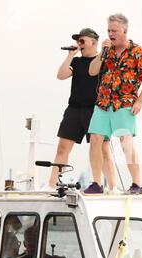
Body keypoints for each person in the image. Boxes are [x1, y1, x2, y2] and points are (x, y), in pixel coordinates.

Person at [86, 13, 142, 194]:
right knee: (95, 140)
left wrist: (139, 101)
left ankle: (137, 184)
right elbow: (92, 72)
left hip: (124, 103)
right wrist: (101, 53)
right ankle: (97, 183)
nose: (110, 34)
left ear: (124, 30)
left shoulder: (138, 52)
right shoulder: (106, 51)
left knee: (126, 143)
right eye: (109, 30)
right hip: (102, 103)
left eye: (114, 30)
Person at [49, 28, 117, 193]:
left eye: (82, 41)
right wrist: (70, 55)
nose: (79, 44)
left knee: (103, 149)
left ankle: (112, 187)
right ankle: (51, 184)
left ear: (93, 42)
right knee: (62, 147)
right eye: (77, 41)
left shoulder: (103, 59)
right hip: (74, 109)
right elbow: (60, 75)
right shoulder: (77, 62)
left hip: (96, 110)